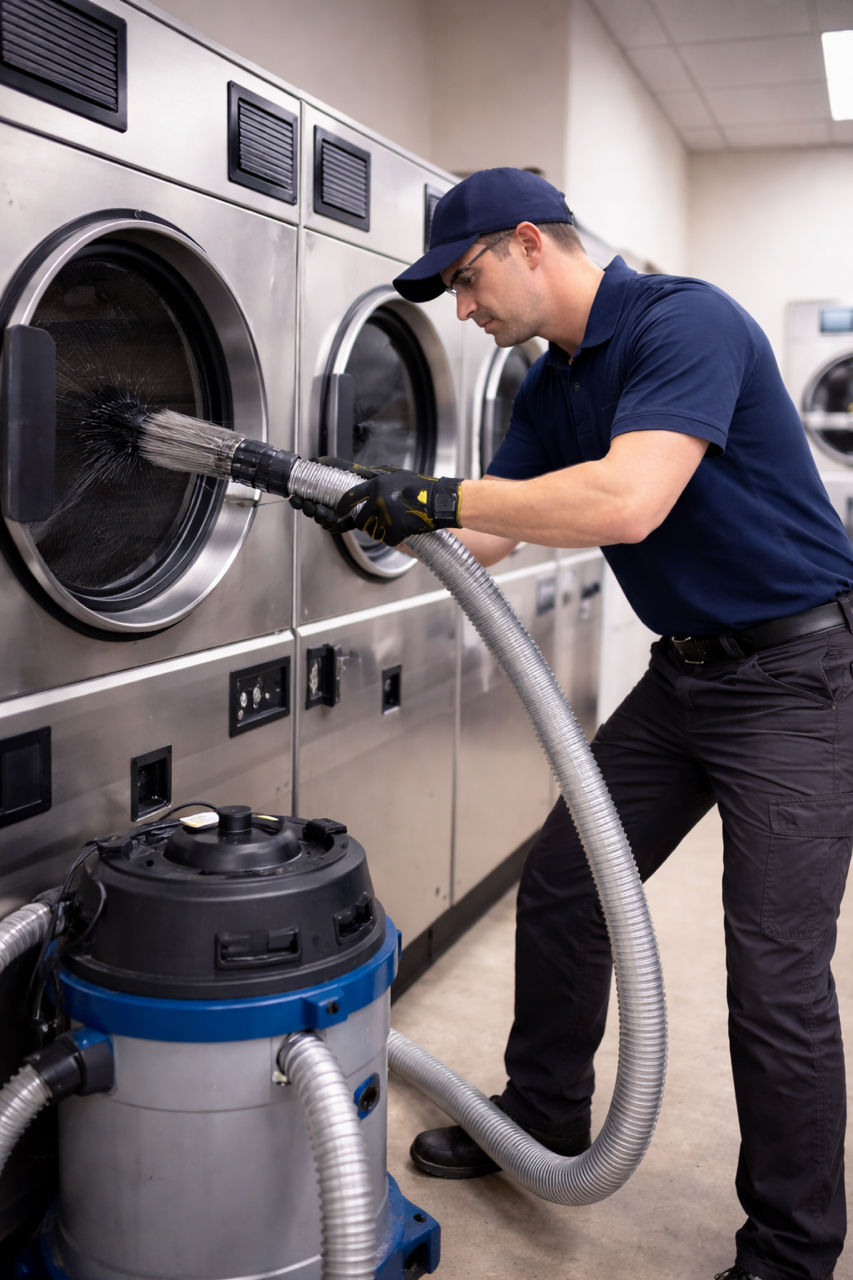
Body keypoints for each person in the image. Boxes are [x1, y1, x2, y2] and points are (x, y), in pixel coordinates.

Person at [304, 168, 853, 1280]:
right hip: (686, 673)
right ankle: (544, 1115)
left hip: (801, 672)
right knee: (564, 881)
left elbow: (625, 500)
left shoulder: (682, 321)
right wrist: (360, 521)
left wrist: (441, 496)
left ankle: (792, 1251)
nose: (463, 309)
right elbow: (492, 537)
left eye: (465, 280)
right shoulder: (544, 386)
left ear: (527, 244)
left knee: (771, 965)